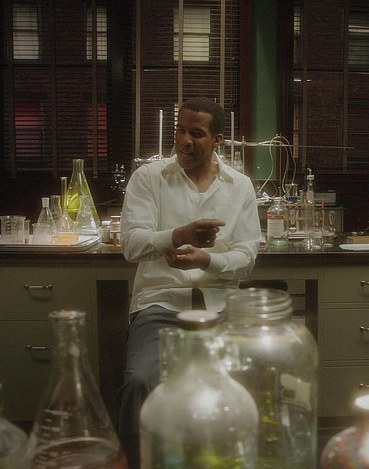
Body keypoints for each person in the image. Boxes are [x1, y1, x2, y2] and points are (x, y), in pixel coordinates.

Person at [117, 97, 262, 465]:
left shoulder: (239, 186)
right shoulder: (149, 178)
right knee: (139, 381)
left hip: (220, 306)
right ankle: (139, 461)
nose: (184, 140)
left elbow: (246, 259)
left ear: (217, 140)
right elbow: (131, 245)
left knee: (243, 383)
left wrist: (207, 260)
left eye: (196, 133)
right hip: (161, 302)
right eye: (180, 130)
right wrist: (177, 235)